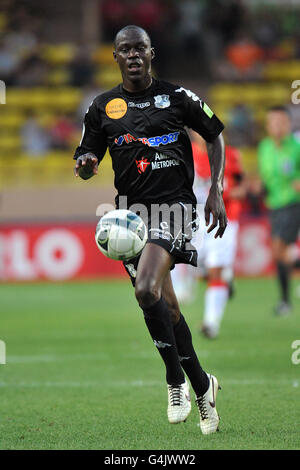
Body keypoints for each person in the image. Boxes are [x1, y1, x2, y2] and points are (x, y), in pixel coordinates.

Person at [73, 25, 227, 434]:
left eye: (140, 47)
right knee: (165, 306)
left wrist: (217, 189)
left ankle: (173, 379)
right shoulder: (102, 107)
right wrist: (87, 165)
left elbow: (215, 134)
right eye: (125, 50)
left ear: (151, 52)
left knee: (145, 289)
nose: (133, 55)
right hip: (129, 217)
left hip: (175, 208)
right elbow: (87, 155)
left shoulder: (177, 97)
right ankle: (202, 386)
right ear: (116, 57)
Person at [172, 131, 245, 339]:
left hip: (224, 220)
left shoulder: (229, 154)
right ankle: (198, 284)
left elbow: (242, 186)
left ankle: (211, 323)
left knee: (216, 271)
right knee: (192, 266)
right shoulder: (182, 153)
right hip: (194, 221)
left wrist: (225, 193)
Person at [258, 106, 300, 315]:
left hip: (293, 203)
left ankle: (285, 301)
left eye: (281, 122)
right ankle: (285, 301)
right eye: (273, 122)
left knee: (278, 249)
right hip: (274, 205)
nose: (277, 126)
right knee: (283, 255)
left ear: (288, 123)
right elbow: (266, 178)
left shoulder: (296, 146)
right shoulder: (264, 147)